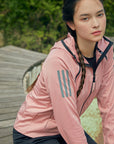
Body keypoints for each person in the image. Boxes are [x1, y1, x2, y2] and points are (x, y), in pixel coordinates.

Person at [13, 0, 114, 143]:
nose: (96, 24)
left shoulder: (105, 51)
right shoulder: (59, 60)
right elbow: (67, 119)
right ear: (71, 23)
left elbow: (110, 108)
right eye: (85, 18)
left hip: (63, 130)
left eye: (100, 15)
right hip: (34, 134)